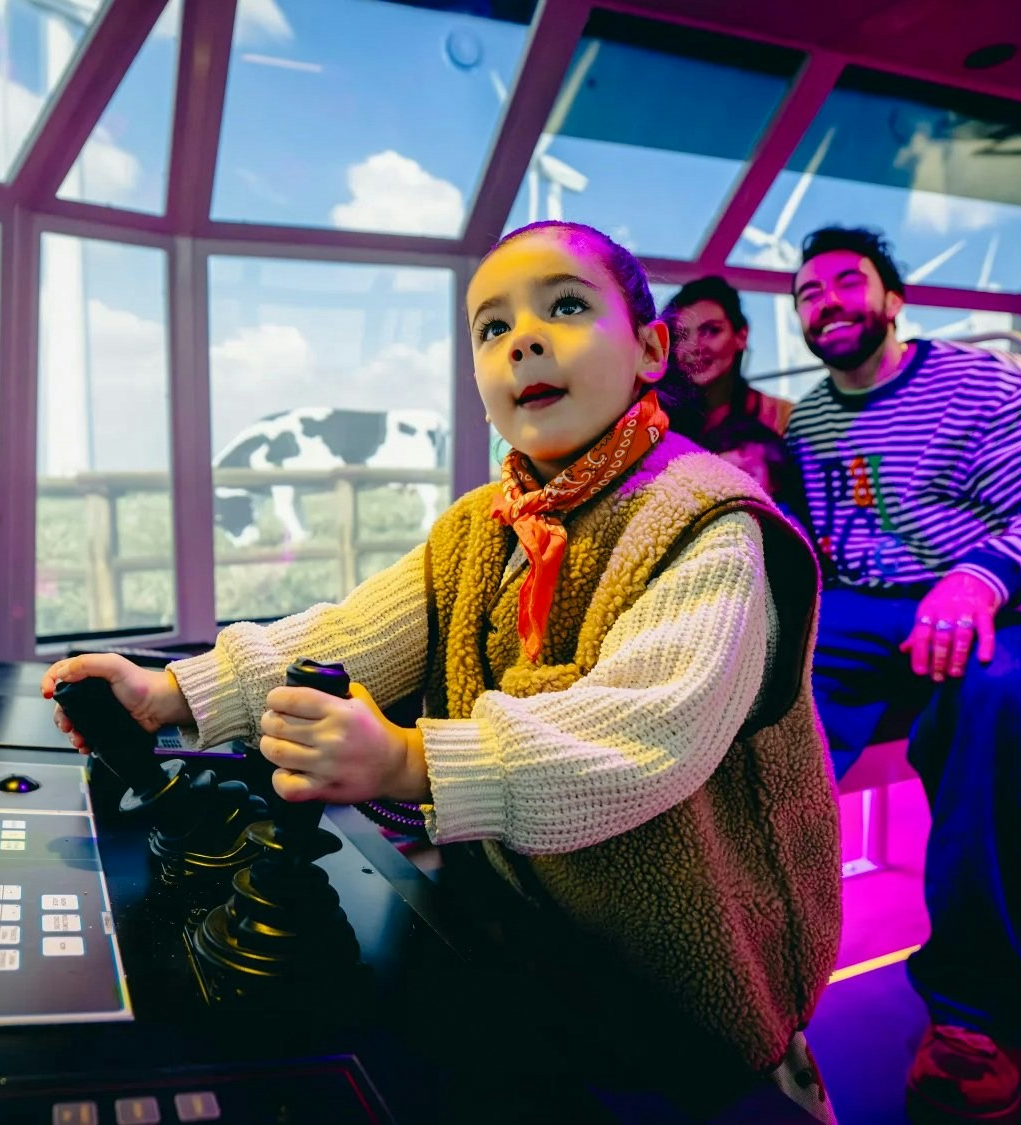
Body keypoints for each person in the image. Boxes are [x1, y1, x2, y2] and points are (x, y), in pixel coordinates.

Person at [43, 220, 843, 1122]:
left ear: (652, 350)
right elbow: (355, 632)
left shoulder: (707, 523)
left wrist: (405, 760)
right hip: (525, 939)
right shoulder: (479, 525)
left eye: (567, 307)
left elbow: (643, 734)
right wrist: (174, 692)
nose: (525, 339)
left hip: (683, 981)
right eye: (492, 328)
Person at [783, 226, 1021, 1123]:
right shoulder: (811, 419)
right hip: (858, 610)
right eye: (808, 294)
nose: (828, 303)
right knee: (750, 700)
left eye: (847, 282)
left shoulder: (984, 385)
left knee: (1001, 697)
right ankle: (733, 968)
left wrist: (981, 576)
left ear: (894, 300)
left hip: (991, 599)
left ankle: (982, 1012)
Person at [659, 275, 793, 437]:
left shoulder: (783, 418)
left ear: (741, 336)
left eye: (711, 331)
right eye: (680, 336)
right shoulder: (655, 420)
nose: (693, 347)